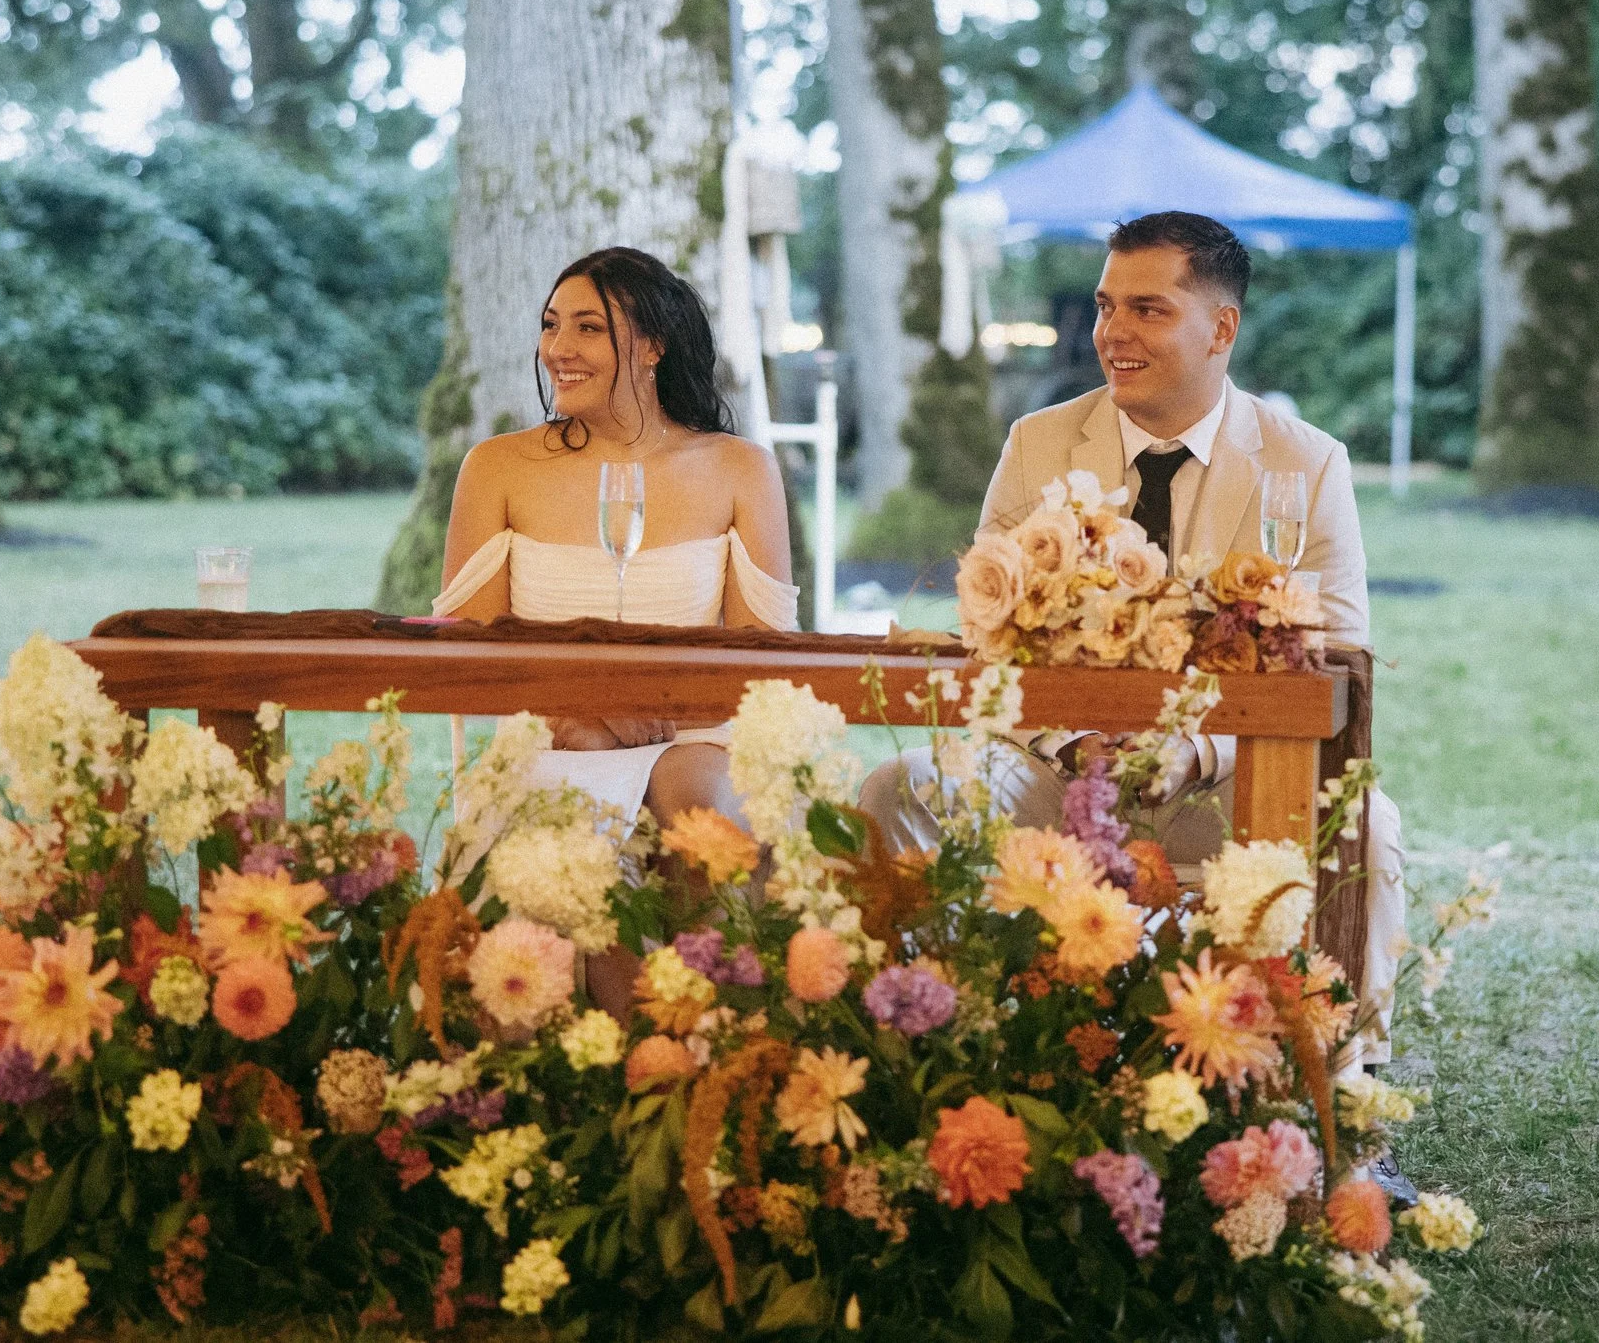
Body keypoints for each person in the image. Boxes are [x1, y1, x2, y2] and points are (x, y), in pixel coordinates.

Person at [858, 211, 1409, 1069]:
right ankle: (935, 1062)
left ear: (1222, 328)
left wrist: (1194, 753)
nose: (1112, 331)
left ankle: (1346, 1108)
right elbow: (987, 629)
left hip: (1224, 780)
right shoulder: (1038, 444)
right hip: (1051, 767)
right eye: (1105, 306)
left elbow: (1333, 659)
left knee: (1365, 825)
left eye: (1147, 309)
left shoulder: (1306, 463)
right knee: (897, 787)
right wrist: (1072, 741)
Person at [432, 246, 798, 840]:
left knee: (698, 815)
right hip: (552, 735)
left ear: (654, 346)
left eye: (589, 328)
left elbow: (762, 669)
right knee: (561, 832)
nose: (558, 350)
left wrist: (627, 718)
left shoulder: (741, 470)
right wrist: (587, 711)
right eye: (550, 326)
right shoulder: (496, 468)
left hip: (693, 735)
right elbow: (468, 656)